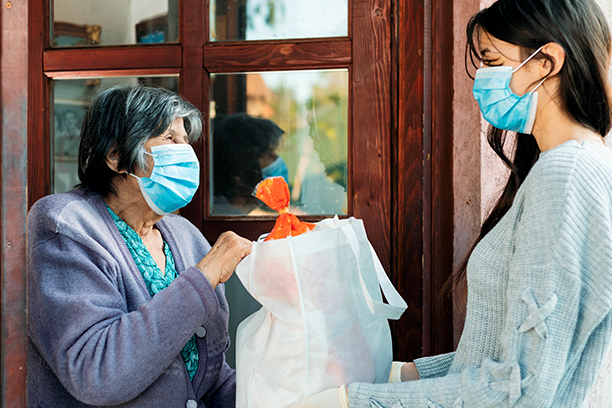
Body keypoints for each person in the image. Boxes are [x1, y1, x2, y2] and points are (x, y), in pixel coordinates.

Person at [291, 0, 612, 406]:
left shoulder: (567, 175)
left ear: (546, 61)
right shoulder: (567, 167)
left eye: (492, 60)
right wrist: (404, 374)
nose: (481, 78)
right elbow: (497, 357)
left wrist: (352, 402)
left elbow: (518, 390)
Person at [27, 85, 253, 407]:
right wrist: (204, 277)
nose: (186, 152)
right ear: (117, 156)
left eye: (186, 140)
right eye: (169, 139)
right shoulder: (65, 225)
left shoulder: (185, 235)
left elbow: (209, 378)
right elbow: (98, 374)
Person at [211, 112, 287, 214]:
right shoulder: (220, 218)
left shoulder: (231, 215)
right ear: (237, 173)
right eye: (267, 155)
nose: (277, 159)